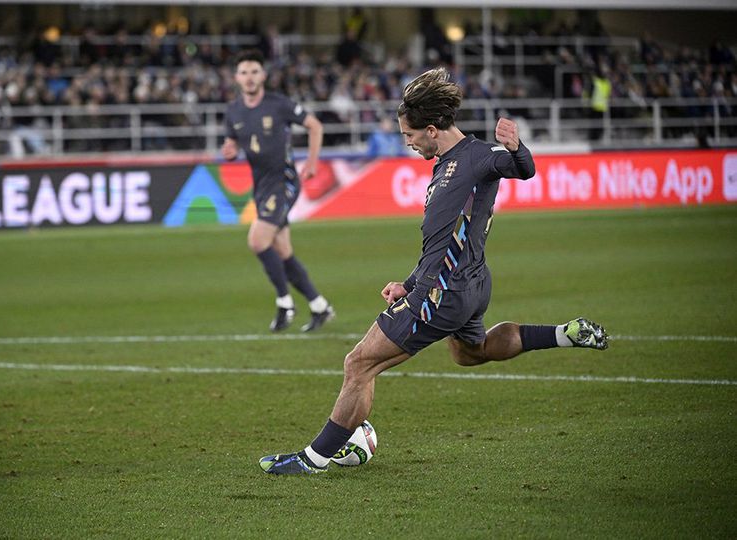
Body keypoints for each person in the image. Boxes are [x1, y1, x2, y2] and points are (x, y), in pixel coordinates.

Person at [259, 68, 609, 475]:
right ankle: (563, 335)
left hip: (442, 294)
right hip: (469, 286)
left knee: (359, 364)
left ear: (431, 130)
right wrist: (406, 284)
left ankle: (313, 460)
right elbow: (439, 242)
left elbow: (524, 169)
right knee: (469, 353)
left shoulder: (478, 157)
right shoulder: (444, 164)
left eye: (409, 135)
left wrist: (516, 146)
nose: (406, 143)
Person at [221, 49, 334, 333]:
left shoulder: (279, 105)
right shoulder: (233, 111)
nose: (249, 77)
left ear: (263, 76)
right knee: (282, 250)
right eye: (244, 72)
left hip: (283, 181)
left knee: (258, 240)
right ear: (236, 77)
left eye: (254, 71)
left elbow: (314, 125)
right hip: (260, 186)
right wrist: (230, 150)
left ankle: (285, 303)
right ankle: (320, 306)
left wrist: (311, 161)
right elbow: (232, 142)